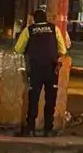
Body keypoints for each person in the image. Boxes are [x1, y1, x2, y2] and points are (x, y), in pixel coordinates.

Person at [14, 8, 69, 137]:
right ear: (46, 19)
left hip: (35, 69)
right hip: (52, 69)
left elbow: (18, 49)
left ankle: (30, 129)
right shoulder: (54, 29)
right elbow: (63, 50)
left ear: (34, 19)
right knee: (50, 100)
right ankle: (48, 130)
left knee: (33, 99)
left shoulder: (29, 30)